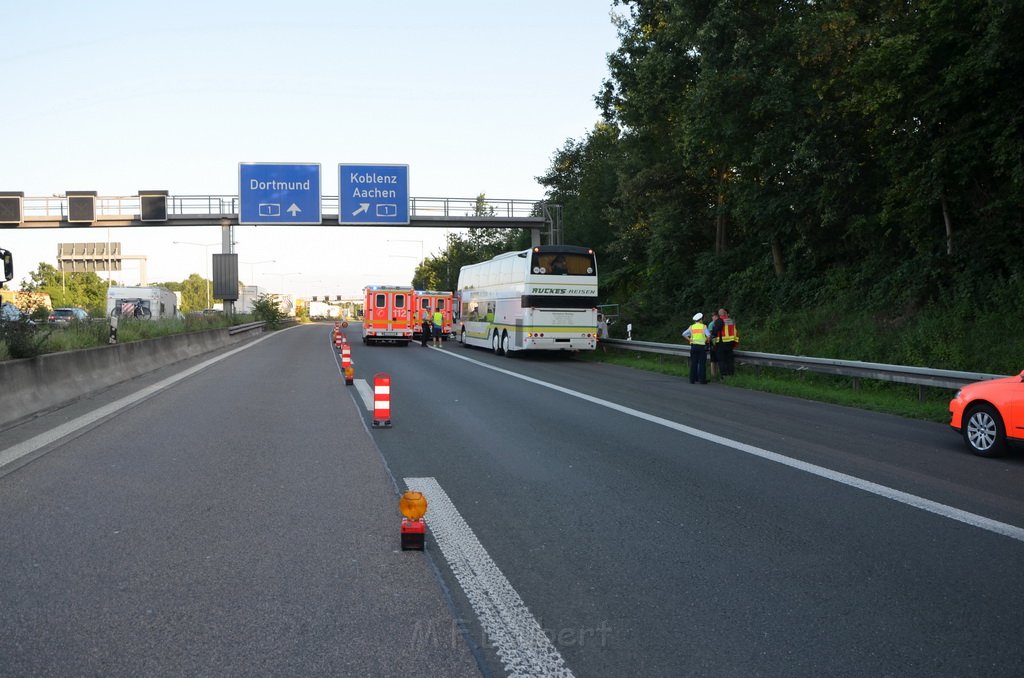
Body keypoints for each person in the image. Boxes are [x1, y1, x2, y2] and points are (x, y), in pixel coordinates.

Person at [681, 312, 708, 384]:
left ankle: (692, 380)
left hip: (693, 347)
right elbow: (709, 335)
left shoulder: (691, 327)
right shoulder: (703, 326)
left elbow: (683, 334)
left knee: (694, 363)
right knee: (702, 363)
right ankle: (702, 380)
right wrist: (706, 341)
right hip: (701, 347)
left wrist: (690, 340)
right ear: (700, 320)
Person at [716, 307, 739, 376]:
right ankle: (731, 375)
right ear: (725, 313)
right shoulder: (731, 321)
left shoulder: (718, 321)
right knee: (730, 360)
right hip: (730, 343)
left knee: (722, 360)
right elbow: (735, 332)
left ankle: (724, 375)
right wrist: (735, 343)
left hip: (722, 343)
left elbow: (715, 332)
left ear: (719, 314)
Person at [706, 311, 721, 381]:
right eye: (712, 316)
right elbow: (710, 335)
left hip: (717, 344)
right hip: (713, 343)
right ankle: (713, 374)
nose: (713, 317)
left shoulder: (718, 323)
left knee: (717, 360)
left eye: (714, 316)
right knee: (713, 360)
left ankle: (716, 374)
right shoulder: (711, 324)